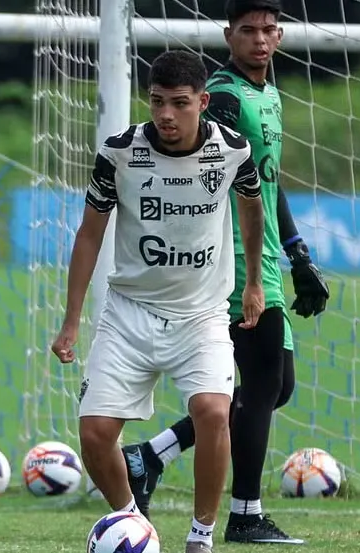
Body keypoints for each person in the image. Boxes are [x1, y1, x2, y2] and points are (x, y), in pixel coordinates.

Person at [118, 0, 330, 545]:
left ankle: (150, 456)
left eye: (267, 30)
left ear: (279, 36)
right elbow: (210, 172)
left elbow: (267, 181)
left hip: (261, 257)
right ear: (228, 34)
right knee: (261, 382)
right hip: (233, 262)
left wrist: (298, 251)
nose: (258, 39)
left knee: (273, 386)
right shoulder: (225, 98)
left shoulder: (267, 94)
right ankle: (243, 512)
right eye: (247, 30)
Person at [50, 50, 267, 553]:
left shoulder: (232, 149)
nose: (165, 114)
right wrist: (71, 322)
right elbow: (88, 235)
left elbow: (253, 209)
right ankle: (130, 522)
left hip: (202, 316)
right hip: (129, 313)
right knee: (95, 435)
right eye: (156, 102)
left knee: (214, 411)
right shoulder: (120, 152)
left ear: (203, 103)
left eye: (179, 103)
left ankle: (201, 536)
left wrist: (254, 282)